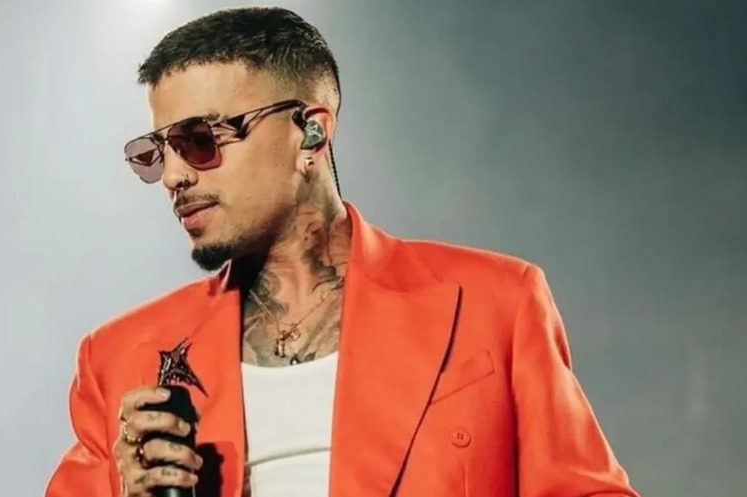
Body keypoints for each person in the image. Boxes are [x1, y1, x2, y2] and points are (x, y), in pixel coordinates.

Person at [45, 6, 640, 497]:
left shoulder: (495, 301)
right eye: (158, 152)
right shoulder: (118, 358)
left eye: (200, 140)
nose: (175, 175)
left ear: (311, 131)